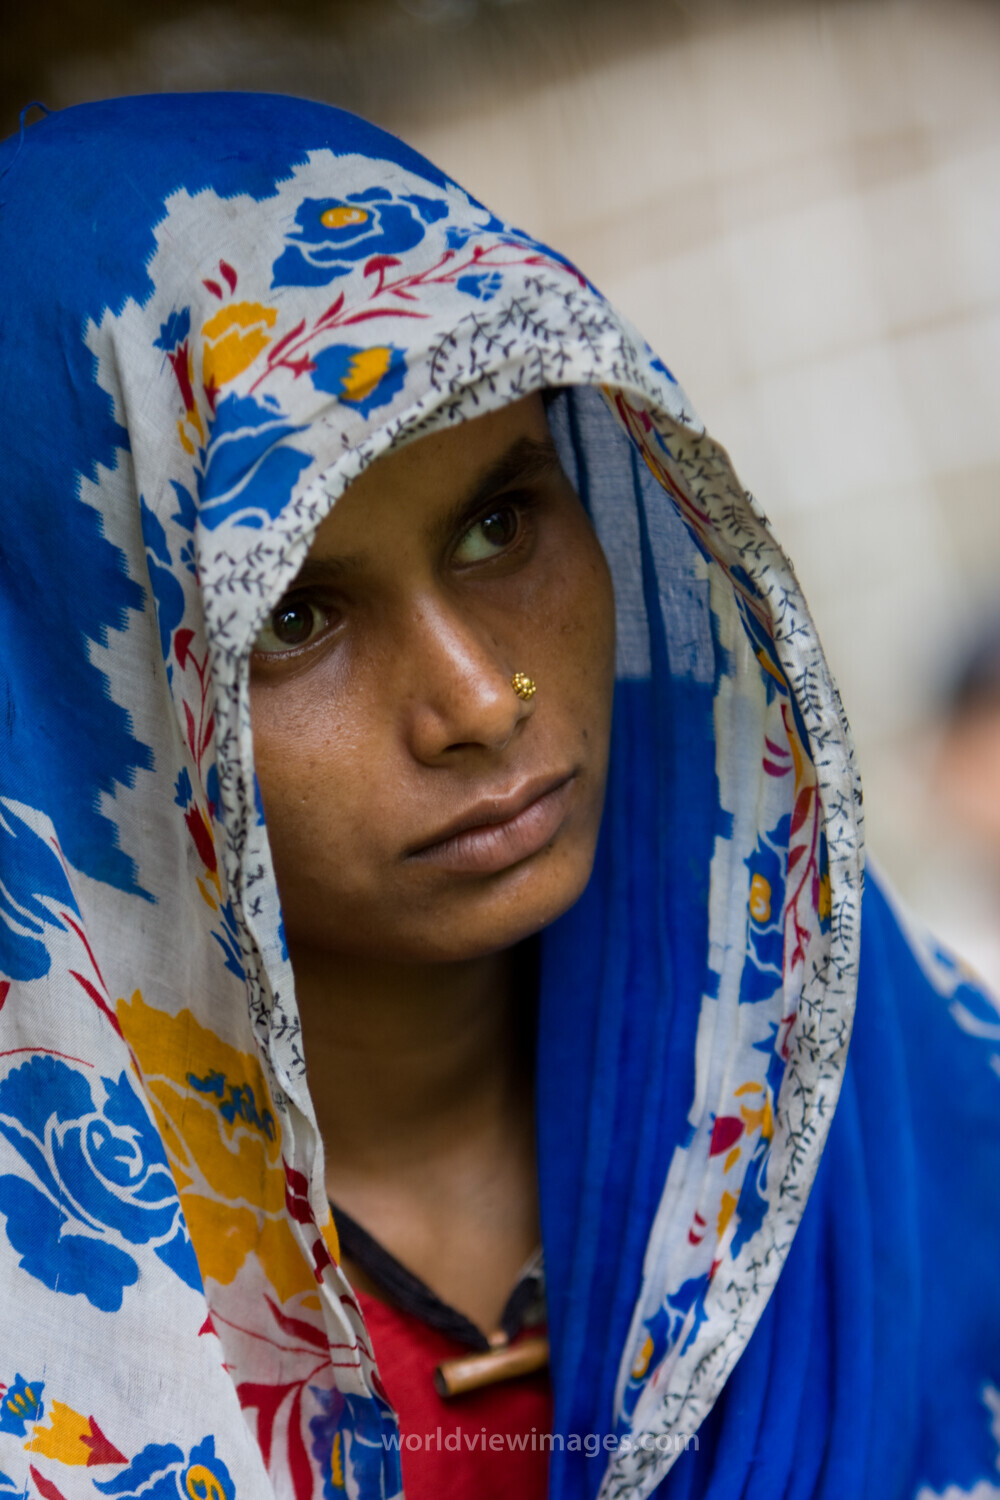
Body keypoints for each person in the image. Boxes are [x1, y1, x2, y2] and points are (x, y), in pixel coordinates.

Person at [0, 92, 997, 1500]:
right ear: (82, 703)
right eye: (291, 620)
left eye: (498, 523)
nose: (478, 701)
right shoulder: (55, 1307)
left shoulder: (870, 1084)